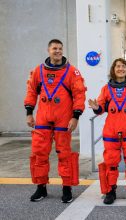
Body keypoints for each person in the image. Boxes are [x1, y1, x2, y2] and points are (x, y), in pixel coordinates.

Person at [24, 39, 86, 203]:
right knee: (39, 154)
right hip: (43, 118)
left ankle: (67, 188)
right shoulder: (38, 71)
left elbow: (79, 95)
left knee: (64, 154)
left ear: (62, 50)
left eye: (60, 48)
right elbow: (31, 91)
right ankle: (41, 188)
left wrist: (75, 116)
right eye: (54, 48)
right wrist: (29, 113)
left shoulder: (72, 72)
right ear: (48, 50)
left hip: (63, 119)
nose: (57, 51)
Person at [88, 58, 126, 205]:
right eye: (117, 67)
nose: (120, 69)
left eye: (123, 66)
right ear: (113, 70)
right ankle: (110, 191)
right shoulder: (106, 88)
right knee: (111, 163)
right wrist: (96, 107)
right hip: (111, 132)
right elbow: (100, 109)